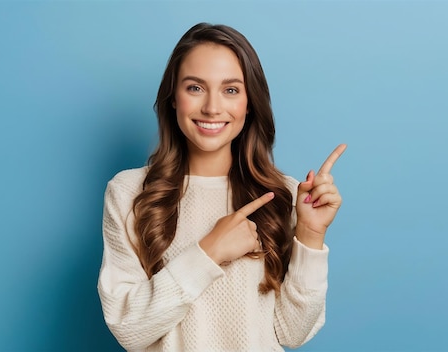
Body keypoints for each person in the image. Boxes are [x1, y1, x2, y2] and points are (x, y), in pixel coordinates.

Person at [98, 22, 346, 351]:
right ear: (173, 97)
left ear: (249, 102)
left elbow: (292, 333)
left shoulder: (282, 194)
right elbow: (128, 328)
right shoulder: (130, 193)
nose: (213, 107)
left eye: (230, 90)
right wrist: (209, 252)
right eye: (195, 88)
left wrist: (311, 236)